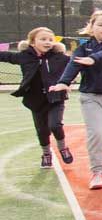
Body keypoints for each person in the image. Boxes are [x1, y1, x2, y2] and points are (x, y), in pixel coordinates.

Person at [49, 11, 102, 189]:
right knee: (96, 133)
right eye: (100, 24)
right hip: (90, 97)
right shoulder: (83, 47)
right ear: (91, 27)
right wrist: (63, 82)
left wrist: (93, 59)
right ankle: (97, 172)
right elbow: (73, 64)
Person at [1, 27, 73, 170]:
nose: (48, 42)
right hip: (35, 100)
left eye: (51, 40)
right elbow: (5, 56)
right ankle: (46, 154)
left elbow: (76, 64)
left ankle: (63, 148)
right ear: (32, 42)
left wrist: (67, 82)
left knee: (55, 125)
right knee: (42, 130)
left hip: (55, 98)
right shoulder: (24, 57)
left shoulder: (59, 57)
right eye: (43, 39)